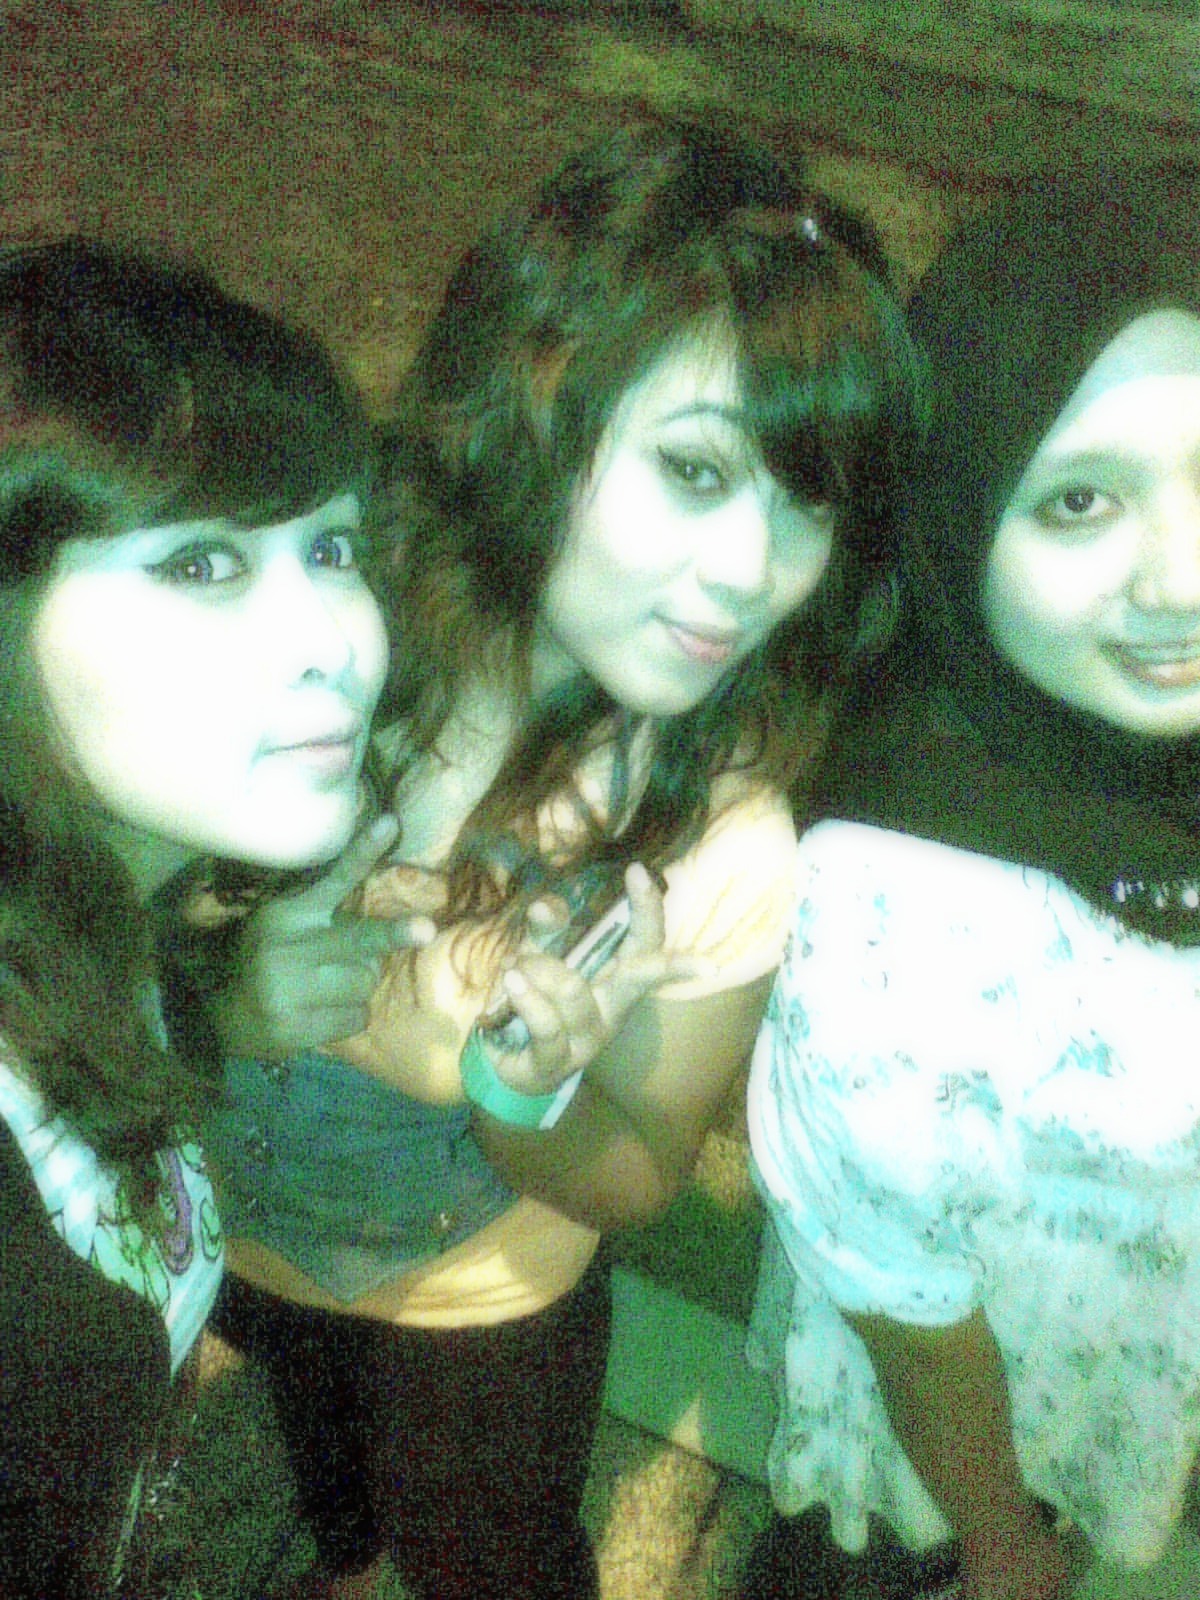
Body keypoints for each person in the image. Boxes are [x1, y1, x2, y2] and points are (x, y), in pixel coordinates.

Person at [205, 119, 922, 1600]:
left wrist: (521, 1083)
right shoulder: (292, 630)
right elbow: (68, 914)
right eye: (696, 470)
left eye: (809, 504)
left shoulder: (717, 841)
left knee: (489, 1555)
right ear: (533, 400)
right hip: (226, 1228)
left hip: (482, 1306)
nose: (753, 575)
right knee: (318, 1468)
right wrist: (214, 987)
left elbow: (641, 1172)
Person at [743, 163, 1200, 1600]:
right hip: (972, 1439)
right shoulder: (892, 927)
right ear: (957, 509)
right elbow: (914, 1315)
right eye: (1078, 500)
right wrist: (1000, 1545)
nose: (1182, 579)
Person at [0, 239, 392, 1599]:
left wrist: (213, 1018)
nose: (334, 638)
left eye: (333, 547)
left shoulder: (104, 900)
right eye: (205, 563)